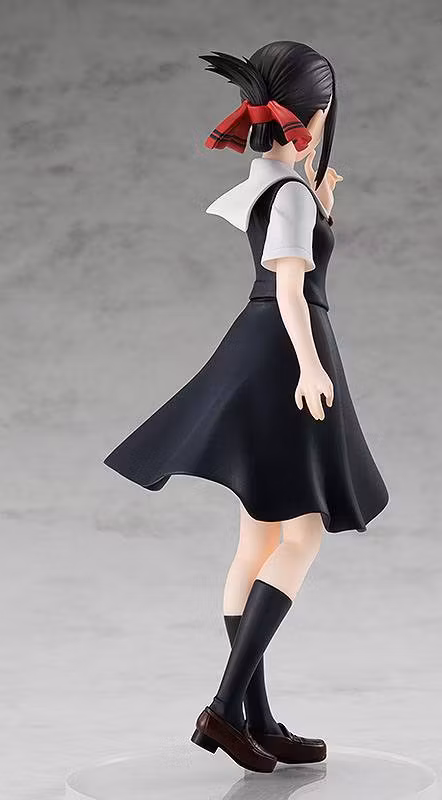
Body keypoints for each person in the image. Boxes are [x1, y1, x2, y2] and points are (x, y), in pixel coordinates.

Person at [103, 40, 389, 772]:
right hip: (285, 354)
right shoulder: (288, 193)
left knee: (257, 541)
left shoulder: (276, 182)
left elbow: (285, 239)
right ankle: (226, 707)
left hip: (261, 345)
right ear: (316, 115)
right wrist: (311, 367)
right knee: (302, 534)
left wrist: (319, 208)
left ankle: (256, 719)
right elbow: (291, 287)